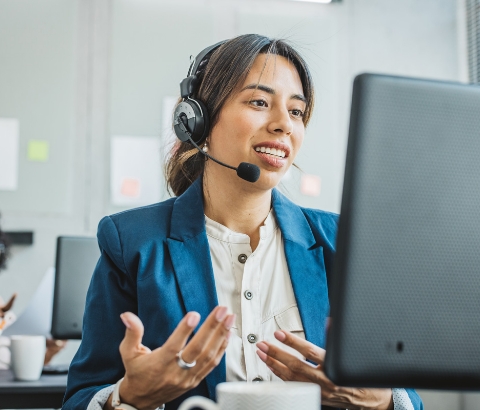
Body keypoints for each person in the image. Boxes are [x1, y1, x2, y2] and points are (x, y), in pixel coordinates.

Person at [63, 34, 423, 410]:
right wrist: (127, 397)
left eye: (297, 111)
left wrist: (381, 400)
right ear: (197, 121)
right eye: (259, 102)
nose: (284, 124)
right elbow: (80, 398)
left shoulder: (343, 242)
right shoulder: (131, 242)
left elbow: (406, 396)